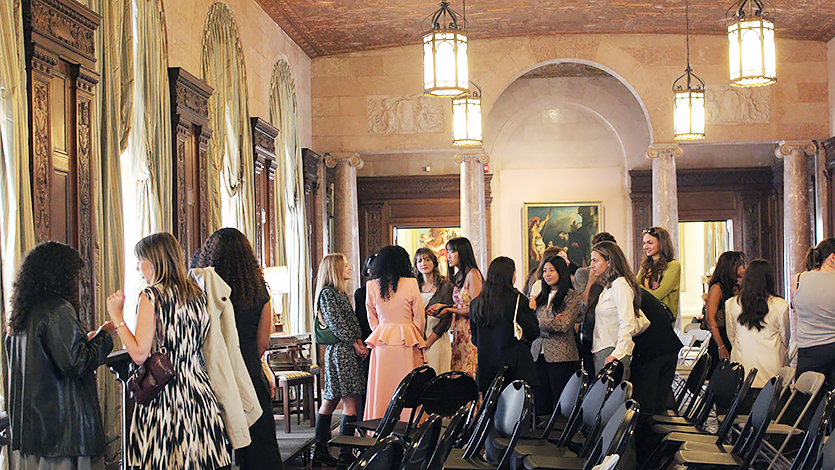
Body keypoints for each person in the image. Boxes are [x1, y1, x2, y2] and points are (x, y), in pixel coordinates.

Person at [106, 233, 230, 469]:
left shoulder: (151, 296)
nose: (137, 267)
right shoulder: (197, 295)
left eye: (140, 260)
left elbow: (140, 354)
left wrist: (116, 317)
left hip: (166, 397)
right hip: (198, 392)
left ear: (154, 261)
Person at [7, 242, 115, 469]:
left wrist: (85, 340)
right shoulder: (59, 309)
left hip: (33, 433)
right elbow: (76, 363)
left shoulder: (22, 314)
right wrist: (104, 337)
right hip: (63, 432)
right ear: (61, 275)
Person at [195, 228, 283, 469]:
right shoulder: (258, 289)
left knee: (217, 451)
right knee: (261, 450)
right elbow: (263, 342)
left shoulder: (204, 290)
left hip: (214, 374)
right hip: (250, 372)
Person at [312, 253, 368, 466]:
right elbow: (338, 324)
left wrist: (358, 342)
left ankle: (321, 451)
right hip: (342, 352)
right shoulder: (328, 294)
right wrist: (356, 344)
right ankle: (344, 454)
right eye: (345, 265)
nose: (350, 268)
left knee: (331, 400)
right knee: (349, 401)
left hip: (343, 350)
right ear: (335, 269)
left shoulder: (338, 293)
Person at [364, 245, 426, 420]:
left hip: (382, 341)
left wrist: (383, 331)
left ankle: (380, 424)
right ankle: (410, 424)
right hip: (407, 339)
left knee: (382, 387)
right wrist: (415, 335)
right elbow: (419, 317)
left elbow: (372, 319)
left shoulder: (371, 286)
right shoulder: (411, 283)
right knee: (408, 386)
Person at [470, 256, 540, 393]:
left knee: (491, 411)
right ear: (510, 275)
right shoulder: (518, 300)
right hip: (515, 368)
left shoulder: (476, 304)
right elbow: (533, 332)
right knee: (516, 412)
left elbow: (475, 340)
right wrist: (532, 310)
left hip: (487, 370)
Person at [530, 256, 583, 416]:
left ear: (561, 271)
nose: (547, 274)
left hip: (561, 355)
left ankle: (558, 438)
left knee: (561, 404)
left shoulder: (571, 296)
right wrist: (549, 320)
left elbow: (563, 325)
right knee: (540, 402)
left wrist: (536, 318)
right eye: (545, 271)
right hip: (538, 354)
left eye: (551, 270)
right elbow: (529, 323)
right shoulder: (539, 297)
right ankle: (540, 437)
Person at [726, 259, 789, 388]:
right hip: (772, 370)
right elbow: (785, 339)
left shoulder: (732, 304)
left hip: (742, 370)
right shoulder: (780, 305)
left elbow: (731, 337)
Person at [588, 241, 643, 377]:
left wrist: (617, 354)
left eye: (595, 260)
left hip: (613, 351)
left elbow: (627, 322)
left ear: (609, 261)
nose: (592, 265)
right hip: (603, 348)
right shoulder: (608, 286)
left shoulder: (620, 284)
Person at [793, 238, 835, 390]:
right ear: (832, 257)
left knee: (805, 402)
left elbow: (797, 311)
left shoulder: (799, 279)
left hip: (809, 348)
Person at [574, 232, 617, 378]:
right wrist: (592, 281)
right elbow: (583, 304)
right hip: (591, 331)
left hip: (613, 333)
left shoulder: (618, 279)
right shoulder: (583, 273)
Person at [441, 237, 483, 378]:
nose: (448, 256)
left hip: (471, 330)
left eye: (452, 252)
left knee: (469, 370)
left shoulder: (473, 274)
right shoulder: (459, 276)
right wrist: (445, 307)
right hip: (459, 330)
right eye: (448, 252)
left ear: (463, 252)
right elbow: (459, 304)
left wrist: (450, 310)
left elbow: (475, 308)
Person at [704, 251, 747, 370]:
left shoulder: (737, 287)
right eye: (741, 264)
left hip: (734, 335)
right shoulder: (717, 288)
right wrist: (720, 345)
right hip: (721, 336)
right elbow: (710, 317)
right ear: (732, 266)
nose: (745, 267)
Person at [414, 247, 454, 374]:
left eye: (427, 259)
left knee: (437, 373)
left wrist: (429, 341)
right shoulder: (414, 286)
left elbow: (447, 317)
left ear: (434, 262)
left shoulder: (445, 285)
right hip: (417, 338)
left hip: (437, 336)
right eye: (419, 261)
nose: (423, 263)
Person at [637, 226, 681, 319]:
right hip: (645, 317)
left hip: (662, 318)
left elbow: (657, 295)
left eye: (650, 243)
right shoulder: (645, 266)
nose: (645, 247)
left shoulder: (673, 265)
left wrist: (641, 288)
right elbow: (633, 287)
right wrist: (648, 290)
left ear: (661, 243)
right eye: (644, 243)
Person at [352, 254, 375, 420]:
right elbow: (359, 319)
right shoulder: (361, 292)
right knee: (365, 384)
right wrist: (363, 344)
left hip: (382, 339)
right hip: (366, 340)